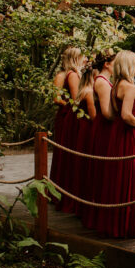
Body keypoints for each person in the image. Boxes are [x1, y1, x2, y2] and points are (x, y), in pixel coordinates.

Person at [94, 51, 135, 239]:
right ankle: (127, 225)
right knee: (130, 175)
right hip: (128, 135)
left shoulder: (116, 84)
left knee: (117, 176)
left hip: (116, 134)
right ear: (127, 66)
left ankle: (114, 222)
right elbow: (126, 115)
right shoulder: (130, 87)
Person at [79, 49, 115, 231]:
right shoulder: (102, 82)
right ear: (107, 64)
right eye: (114, 62)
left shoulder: (104, 80)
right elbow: (107, 112)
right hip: (103, 128)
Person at [60, 61, 98, 215]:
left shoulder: (83, 90)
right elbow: (94, 116)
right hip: (88, 129)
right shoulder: (89, 92)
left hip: (82, 128)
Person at [51, 47, 84, 213]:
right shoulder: (65, 75)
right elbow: (59, 98)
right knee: (65, 152)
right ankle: (61, 192)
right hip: (67, 118)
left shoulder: (74, 74)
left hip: (70, 116)